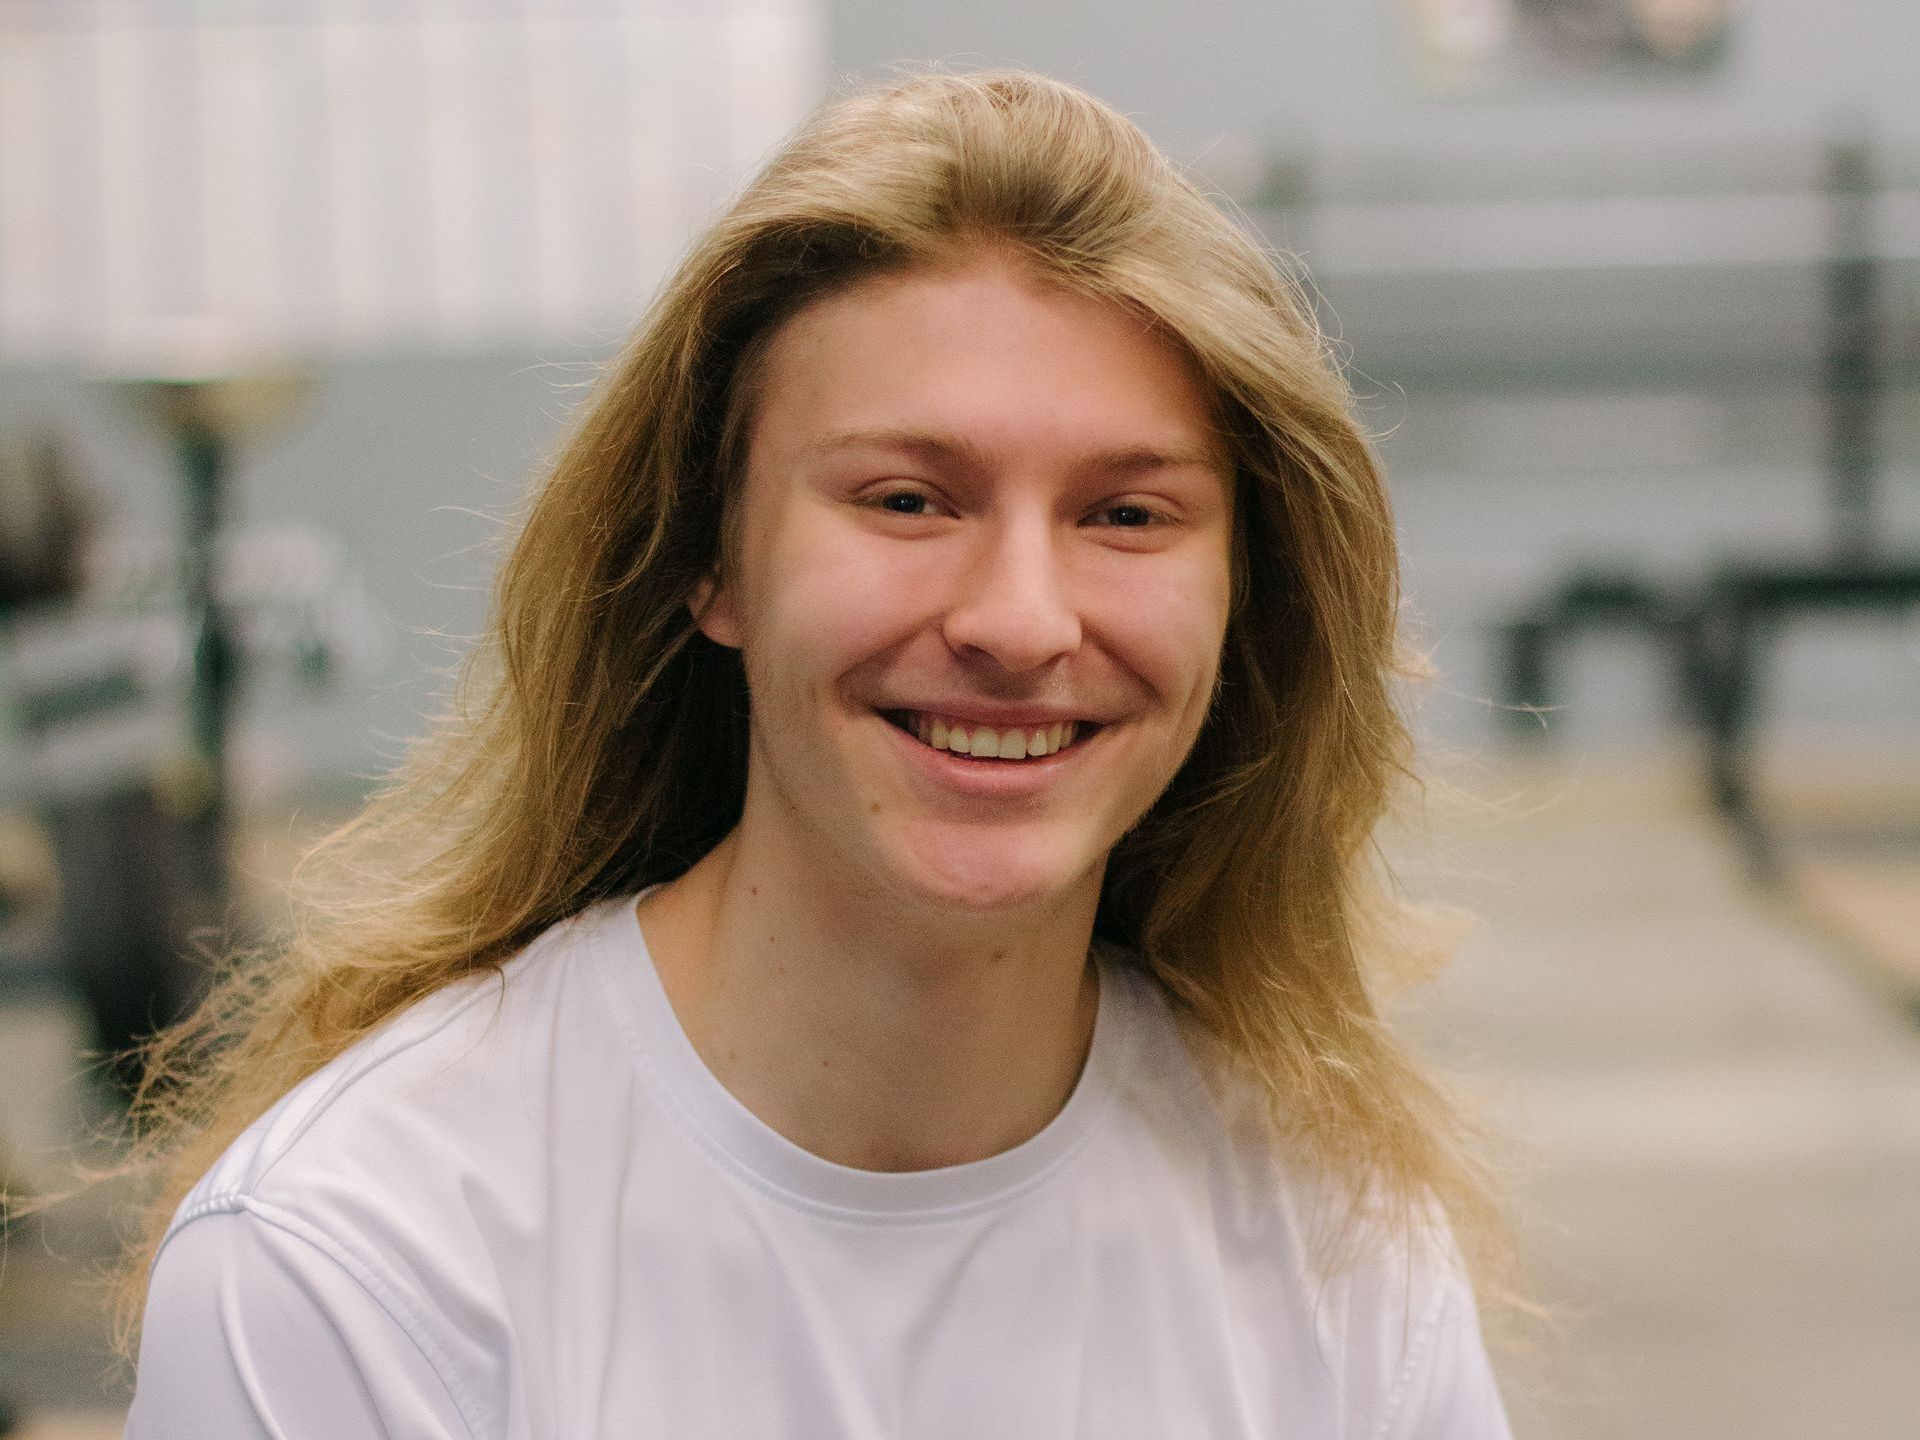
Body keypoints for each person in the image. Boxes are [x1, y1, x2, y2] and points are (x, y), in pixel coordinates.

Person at [119, 70, 1514, 1437]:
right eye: (908, 499)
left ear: (1238, 601)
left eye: (1128, 516)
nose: (1020, 621)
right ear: (712, 561)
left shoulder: (1328, 1241)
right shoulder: (359, 1265)